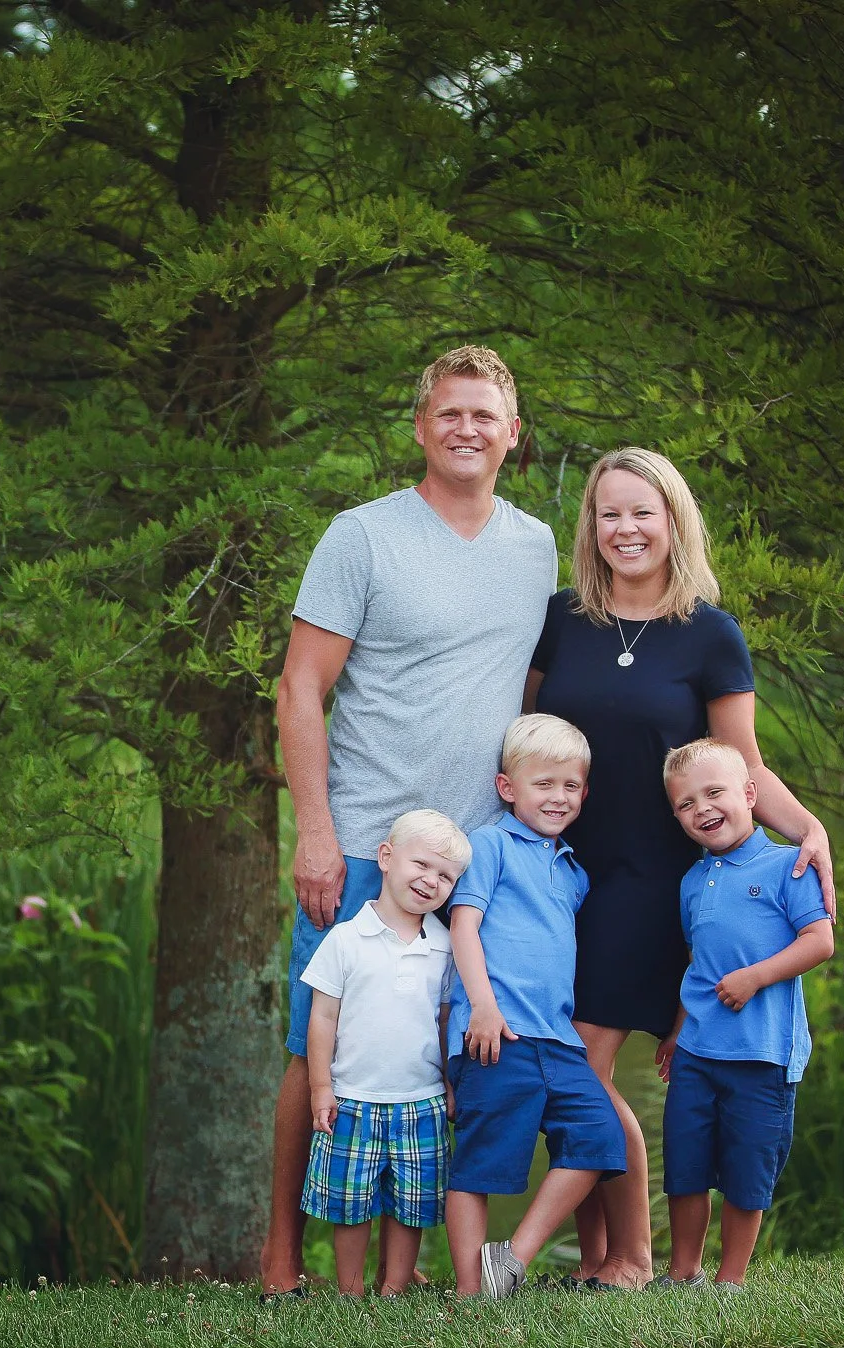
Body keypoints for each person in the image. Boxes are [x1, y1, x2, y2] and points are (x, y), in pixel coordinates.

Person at [264, 346, 556, 1298]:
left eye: (486, 415)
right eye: (449, 414)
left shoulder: (538, 547)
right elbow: (301, 687)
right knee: (322, 1047)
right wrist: (315, 830)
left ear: (513, 433)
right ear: (421, 427)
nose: (467, 429)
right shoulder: (362, 536)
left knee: (441, 1053)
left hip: (478, 858)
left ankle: (417, 1265)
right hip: (361, 846)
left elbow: (534, 689)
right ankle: (281, 1257)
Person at [525, 447, 836, 1289]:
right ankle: (593, 1258)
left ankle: (632, 1255)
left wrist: (811, 828)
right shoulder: (562, 619)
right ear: (590, 526)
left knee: (577, 1064)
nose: (625, 528)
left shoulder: (709, 633)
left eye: (642, 512)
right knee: (558, 1063)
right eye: (608, 513)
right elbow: (529, 741)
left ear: (673, 520)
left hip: (654, 882)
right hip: (560, 875)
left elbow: (746, 768)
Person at [443, 714, 627, 1298]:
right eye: (543, 784)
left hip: (560, 1038)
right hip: (497, 1032)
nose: (558, 797)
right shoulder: (489, 845)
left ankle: (512, 1260)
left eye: (570, 786)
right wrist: (483, 1007)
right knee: (480, 1161)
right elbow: (464, 929)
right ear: (508, 788)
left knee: (599, 1138)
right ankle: (475, 1295)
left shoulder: (572, 871)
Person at [653, 739, 835, 1288]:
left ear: (750, 794)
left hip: (762, 1053)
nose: (702, 809)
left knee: (745, 1170)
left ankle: (730, 1281)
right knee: (684, 1166)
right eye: (686, 804)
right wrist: (677, 1030)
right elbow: (701, 967)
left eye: (714, 793)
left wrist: (756, 977)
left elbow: (819, 942)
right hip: (697, 1053)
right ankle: (685, 1273)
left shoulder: (789, 865)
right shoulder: (691, 882)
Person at [298, 809, 469, 1297]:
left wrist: (450, 1085)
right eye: (422, 865)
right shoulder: (346, 939)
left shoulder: (443, 947)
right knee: (350, 1203)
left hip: (422, 1100)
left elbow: (441, 1023)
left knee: (411, 1205)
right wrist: (320, 1087)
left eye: (445, 876)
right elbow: (322, 1018)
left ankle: (393, 1287)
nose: (431, 880)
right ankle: (350, 1289)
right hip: (352, 1097)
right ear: (387, 858)